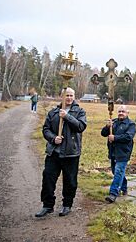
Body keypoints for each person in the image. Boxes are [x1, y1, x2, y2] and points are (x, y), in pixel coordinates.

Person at [35, 88, 87, 218]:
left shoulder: (79, 111)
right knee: (48, 178)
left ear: (74, 97)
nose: (68, 98)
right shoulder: (53, 112)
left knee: (70, 181)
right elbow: (46, 129)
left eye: (71, 95)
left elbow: (80, 127)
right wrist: (53, 138)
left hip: (71, 153)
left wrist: (67, 116)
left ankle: (67, 205)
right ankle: (47, 205)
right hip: (54, 152)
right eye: (66, 95)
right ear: (61, 96)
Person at [101, 105, 136, 203]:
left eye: (123, 111)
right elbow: (103, 133)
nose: (121, 113)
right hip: (113, 152)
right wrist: (107, 126)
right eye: (119, 111)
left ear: (127, 113)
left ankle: (113, 193)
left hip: (123, 152)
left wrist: (115, 138)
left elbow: (128, 137)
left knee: (118, 172)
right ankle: (124, 187)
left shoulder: (131, 124)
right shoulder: (114, 122)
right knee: (116, 172)